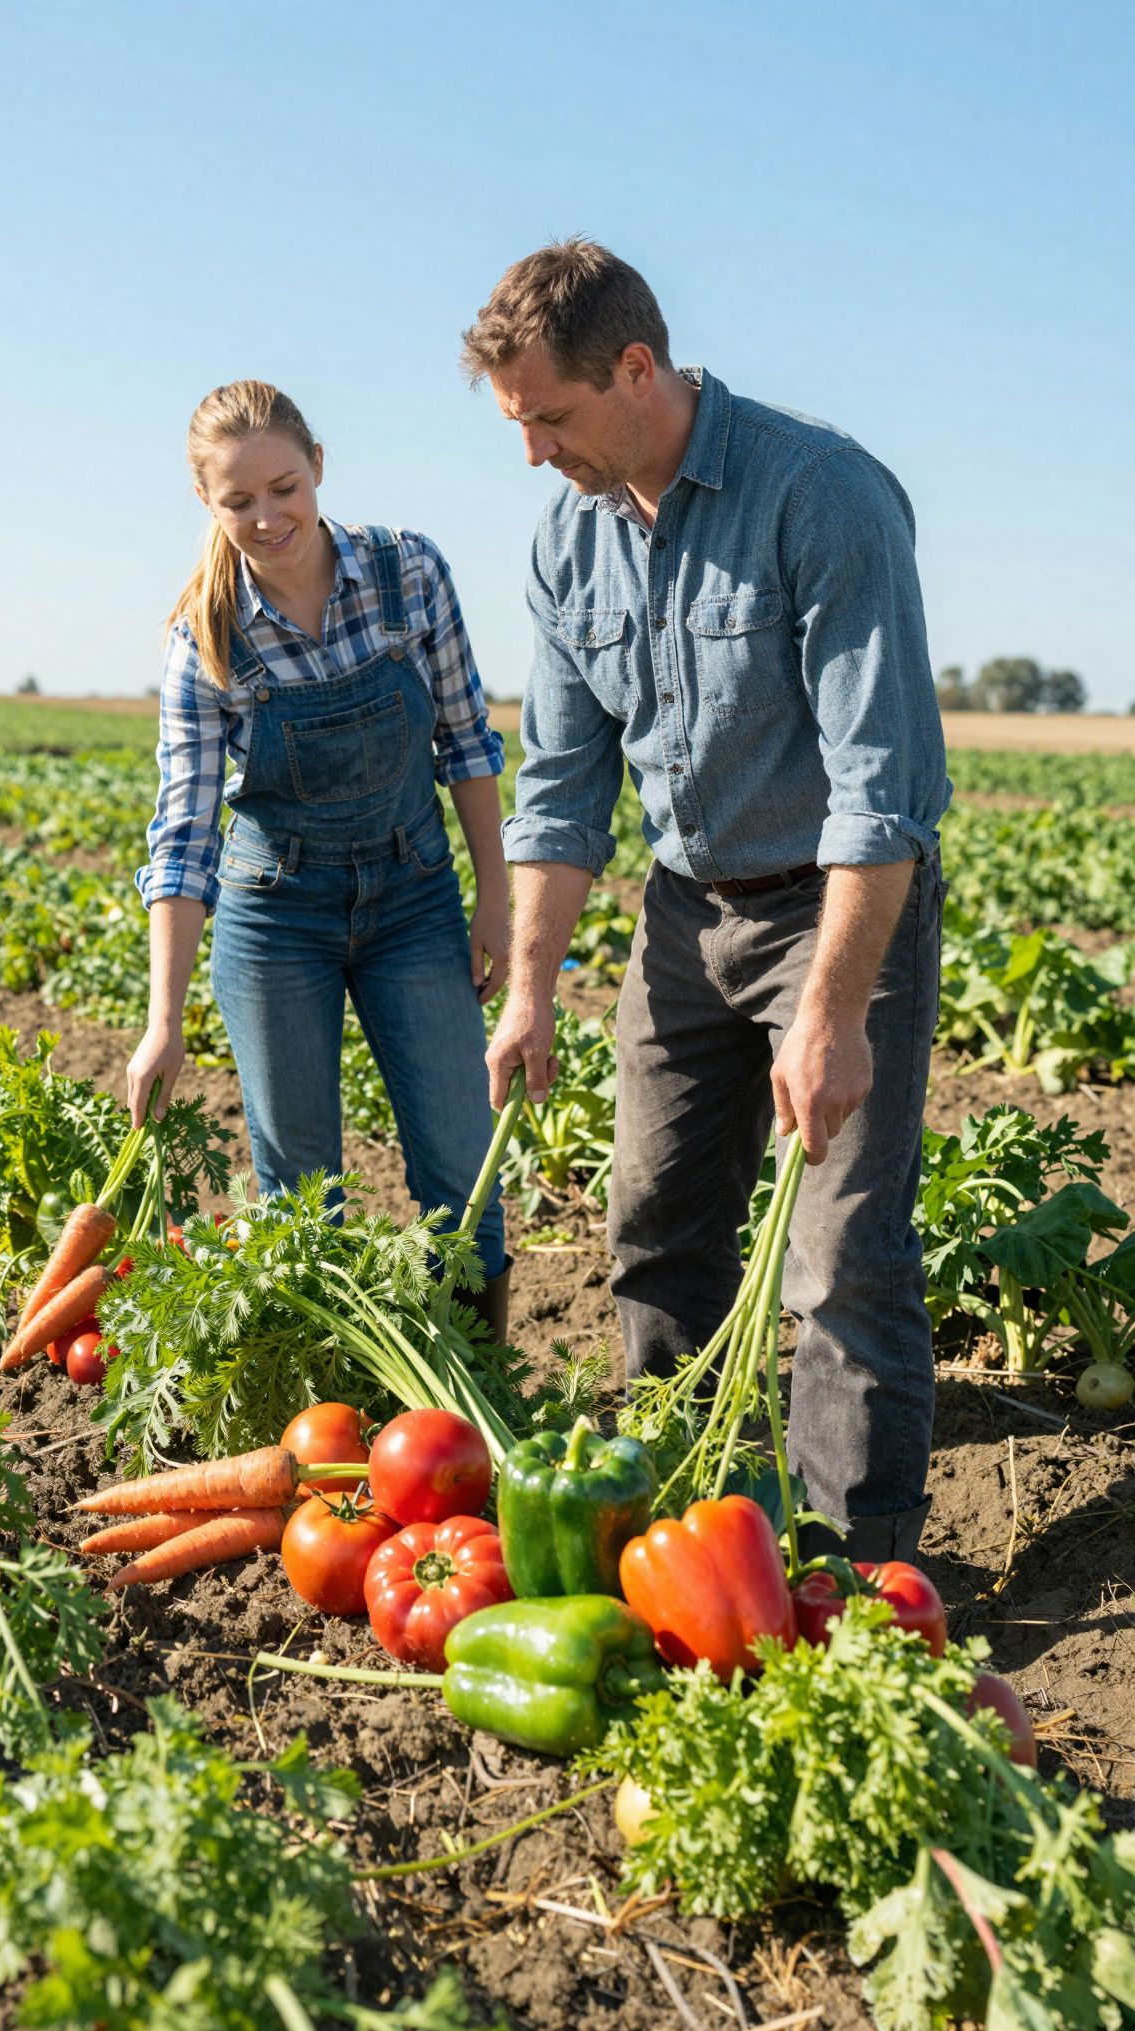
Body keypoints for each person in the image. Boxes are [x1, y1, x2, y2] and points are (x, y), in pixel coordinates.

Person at [463, 240, 951, 1561]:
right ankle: (686, 1524)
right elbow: (560, 790)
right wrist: (529, 993)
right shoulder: (570, 538)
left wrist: (833, 1014)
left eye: (549, 419)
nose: (533, 453)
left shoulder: (821, 494)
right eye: (516, 427)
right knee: (655, 1225)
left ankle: (855, 1568)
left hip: (837, 910)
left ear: (637, 369)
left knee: (840, 1254)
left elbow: (883, 789)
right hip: (684, 914)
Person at [127, 379, 513, 1331]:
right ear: (206, 503)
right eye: (239, 500)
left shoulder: (407, 572)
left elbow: (466, 743)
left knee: (463, 1166)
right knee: (300, 1194)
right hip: (276, 918)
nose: (268, 518)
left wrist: (495, 902)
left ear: (319, 469)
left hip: (413, 898)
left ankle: (479, 1386)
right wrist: (163, 1020)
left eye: (284, 488)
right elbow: (184, 837)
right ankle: (328, 1388)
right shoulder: (205, 642)